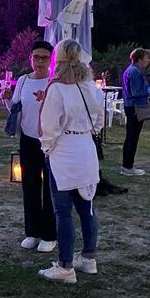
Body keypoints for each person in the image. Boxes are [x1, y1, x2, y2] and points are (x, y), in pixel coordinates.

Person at [38, 39, 104, 284]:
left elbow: (49, 126)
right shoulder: (90, 86)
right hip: (86, 147)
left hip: (64, 150)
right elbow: (100, 119)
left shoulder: (56, 88)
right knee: (86, 207)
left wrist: (47, 149)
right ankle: (88, 258)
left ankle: (65, 266)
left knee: (63, 211)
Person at [2, 41, 57, 253]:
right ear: (30, 58)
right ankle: (32, 232)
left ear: (51, 60)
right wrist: (7, 100)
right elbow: (16, 109)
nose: (40, 61)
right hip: (28, 139)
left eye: (44, 57)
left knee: (50, 190)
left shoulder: (55, 81)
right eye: (36, 57)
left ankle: (49, 235)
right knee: (30, 186)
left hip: (50, 141)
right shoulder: (23, 81)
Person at [121, 48, 150, 176]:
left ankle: (127, 165)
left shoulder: (132, 70)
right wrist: (148, 92)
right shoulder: (134, 71)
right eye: (146, 58)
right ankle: (128, 167)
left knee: (131, 136)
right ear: (139, 59)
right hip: (135, 107)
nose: (148, 60)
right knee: (132, 137)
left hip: (134, 106)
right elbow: (135, 92)